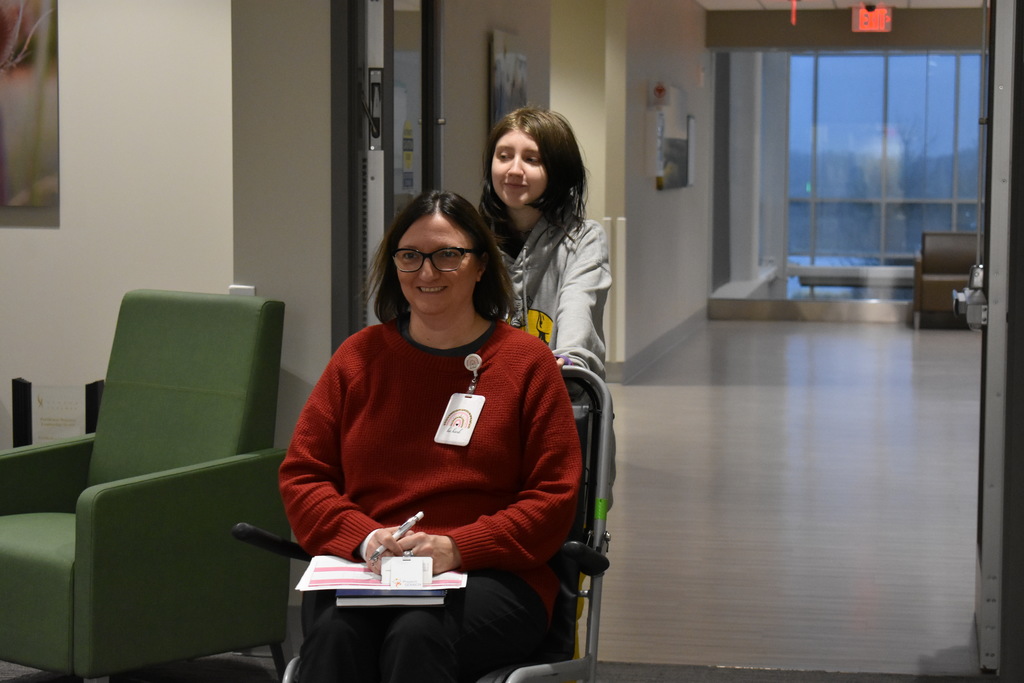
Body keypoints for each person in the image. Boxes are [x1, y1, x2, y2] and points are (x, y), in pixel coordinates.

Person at [278, 190, 583, 683]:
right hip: (368, 570)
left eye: (447, 255)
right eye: (410, 256)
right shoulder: (358, 358)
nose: (426, 272)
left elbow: (553, 500)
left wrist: (456, 547)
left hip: (491, 575)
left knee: (415, 633)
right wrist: (366, 538)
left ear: (481, 265)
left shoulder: (528, 364)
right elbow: (303, 476)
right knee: (336, 635)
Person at [479, 106, 612, 378]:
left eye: (532, 159)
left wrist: (569, 358)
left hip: (558, 385)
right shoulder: (471, 237)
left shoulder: (583, 239)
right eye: (503, 156)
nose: (514, 170)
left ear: (559, 170)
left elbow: (578, 308)